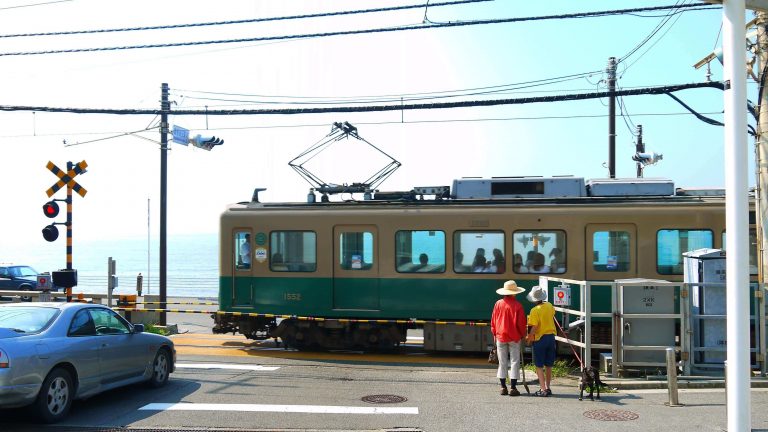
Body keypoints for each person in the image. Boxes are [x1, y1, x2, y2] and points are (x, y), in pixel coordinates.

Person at [491, 280, 527, 396]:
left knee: (502, 362)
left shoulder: (498, 304)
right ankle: (513, 388)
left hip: (500, 336)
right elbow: (521, 324)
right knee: (515, 361)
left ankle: (503, 387)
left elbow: (493, 321)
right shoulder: (518, 305)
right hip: (514, 337)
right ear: (514, 293)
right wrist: (522, 335)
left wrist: (495, 334)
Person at [525, 285, 556, 397]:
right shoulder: (549, 305)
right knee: (549, 365)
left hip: (540, 339)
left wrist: (529, 338)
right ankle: (548, 387)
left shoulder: (534, 310)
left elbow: (534, 327)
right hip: (551, 338)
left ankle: (542, 389)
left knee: (539, 365)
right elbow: (553, 314)